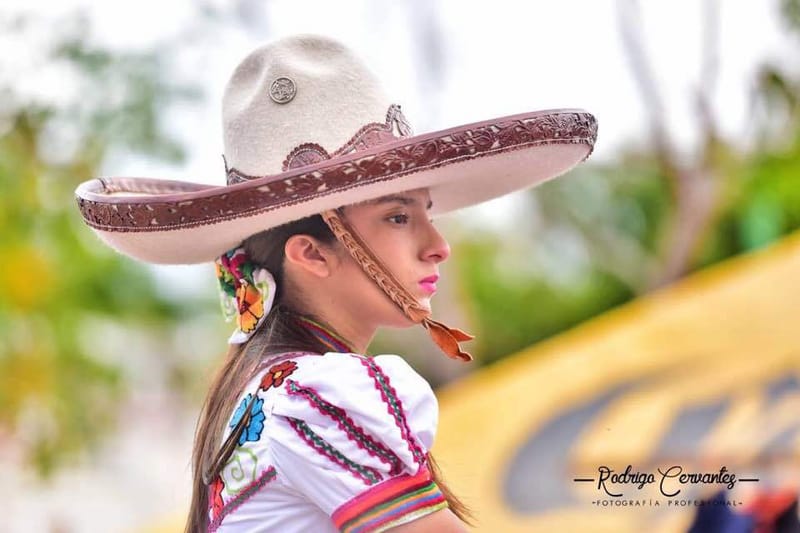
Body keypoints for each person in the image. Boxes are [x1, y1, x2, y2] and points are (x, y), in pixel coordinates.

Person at [74, 34, 596, 532]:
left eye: (426, 211)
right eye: (397, 217)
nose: (438, 244)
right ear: (311, 254)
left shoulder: (261, 394)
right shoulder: (320, 394)